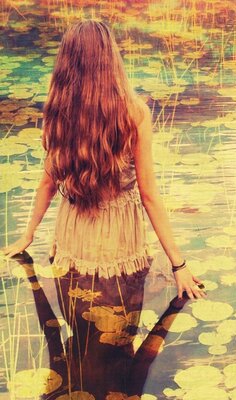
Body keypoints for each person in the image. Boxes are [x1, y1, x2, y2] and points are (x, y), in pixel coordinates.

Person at [2, 19, 206, 396]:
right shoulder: (133, 111)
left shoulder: (59, 108)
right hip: (119, 240)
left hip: (73, 235)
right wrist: (178, 265)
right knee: (118, 325)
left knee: (79, 327)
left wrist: (27, 235)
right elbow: (149, 195)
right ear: (110, 59)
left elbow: (48, 180)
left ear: (67, 64)